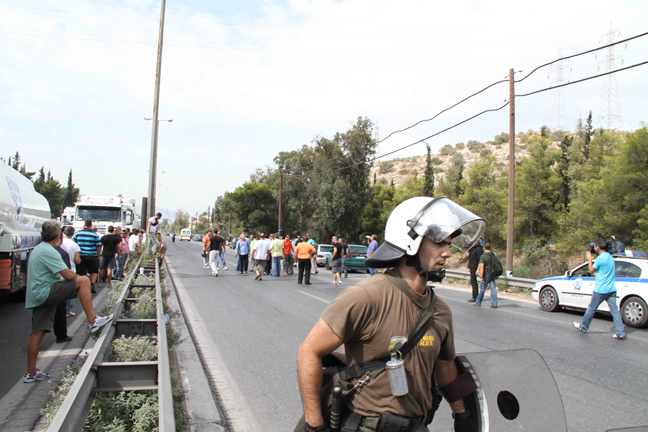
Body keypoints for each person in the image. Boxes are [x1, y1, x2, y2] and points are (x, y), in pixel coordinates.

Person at [296, 197, 485, 432]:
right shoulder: (367, 296)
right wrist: (314, 425)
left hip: (418, 425)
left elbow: (445, 370)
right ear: (409, 243)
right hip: (368, 425)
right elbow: (309, 352)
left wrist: (463, 416)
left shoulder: (441, 311)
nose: (447, 253)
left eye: (448, 244)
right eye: (439, 243)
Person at [24, 220, 113, 383]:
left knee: (38, 331)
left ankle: (30, 372)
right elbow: (69, 276)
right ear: (58, 235)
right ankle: (93, 321)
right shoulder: (49, 251)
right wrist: (78, 277)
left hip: (37, 294)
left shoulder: (39, 249)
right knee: (84, 281)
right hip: (46, 291)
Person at [573, 239, 626, 339]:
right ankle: (620, 332)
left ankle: (583, 326)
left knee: (591, 309)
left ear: (597, 246)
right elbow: (601, 272)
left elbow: (590, 270)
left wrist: (589, 259)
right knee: (615, 311)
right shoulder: (610, 257)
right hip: (611, 289)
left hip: (601, 289)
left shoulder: (600, 259)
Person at [72, 219, 102, 294]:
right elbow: (98, 246)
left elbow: (74, 244)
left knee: (82, 272)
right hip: (92, 255)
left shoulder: (77, 234)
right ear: (91, 225)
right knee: (94, 271)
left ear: (84, 224)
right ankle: (92, 284)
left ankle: (83, 285)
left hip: (81, 255)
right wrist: (98, 256)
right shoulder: (95, 235)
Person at [60, 226, 80, 317]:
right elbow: (77, 260)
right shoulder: (74, 245)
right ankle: (68, 310)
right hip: (71, 269)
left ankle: (61, 309)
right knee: (71, 290)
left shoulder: (60, 243)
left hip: (60, 268)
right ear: (73, 234)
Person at [475, 242, 498, 308]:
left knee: (482, 289)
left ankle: (478, 302)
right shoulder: (493, 255)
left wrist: (481, 276)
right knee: (493, 289)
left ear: (484, 248)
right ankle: (494, 303)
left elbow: (482, 266)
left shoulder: (483, 256)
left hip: (486, 274)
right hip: (493, 274)